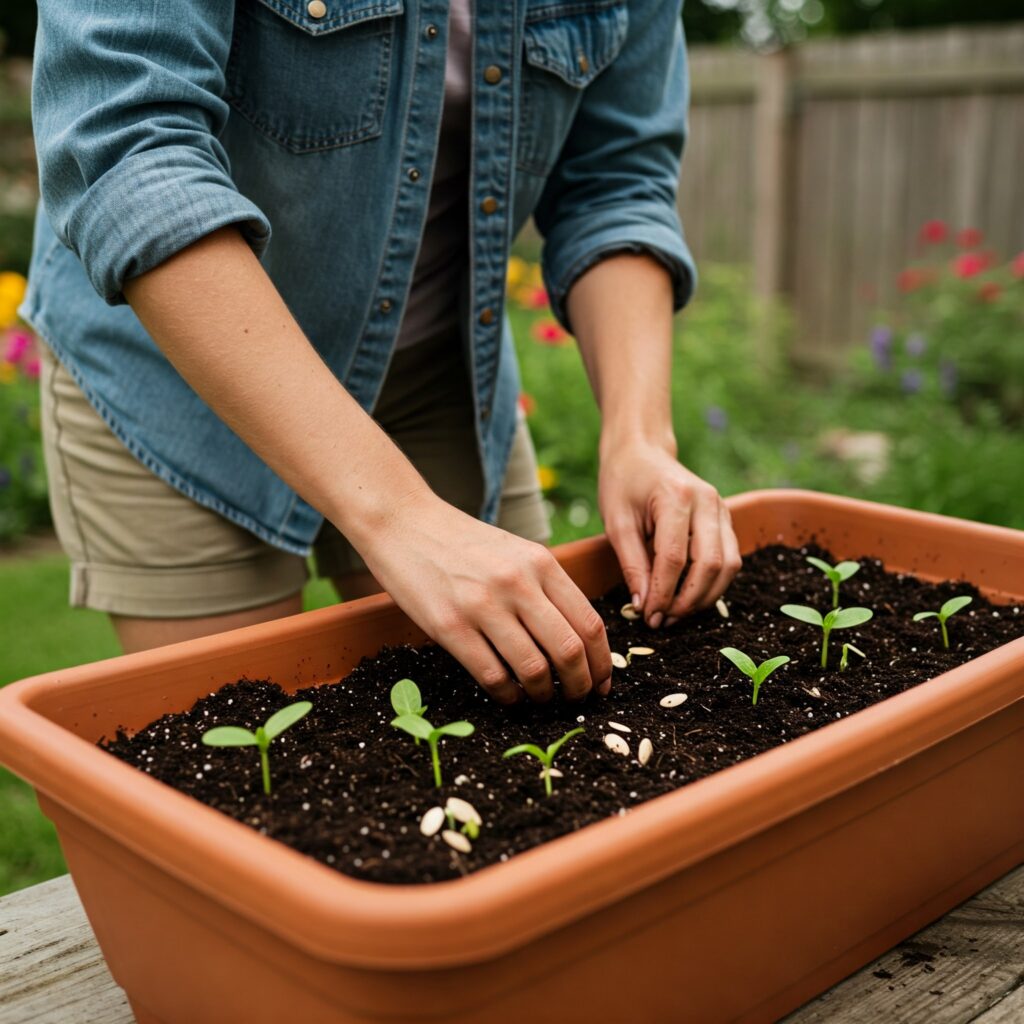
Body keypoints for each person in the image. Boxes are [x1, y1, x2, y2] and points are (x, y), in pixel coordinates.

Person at [22, 0, 741, 705]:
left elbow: (616, 182)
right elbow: (129, 149)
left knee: (526, 724)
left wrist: (638, 437)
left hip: (437, 372)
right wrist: (398, 517)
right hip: (183, 376)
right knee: (241, 761)